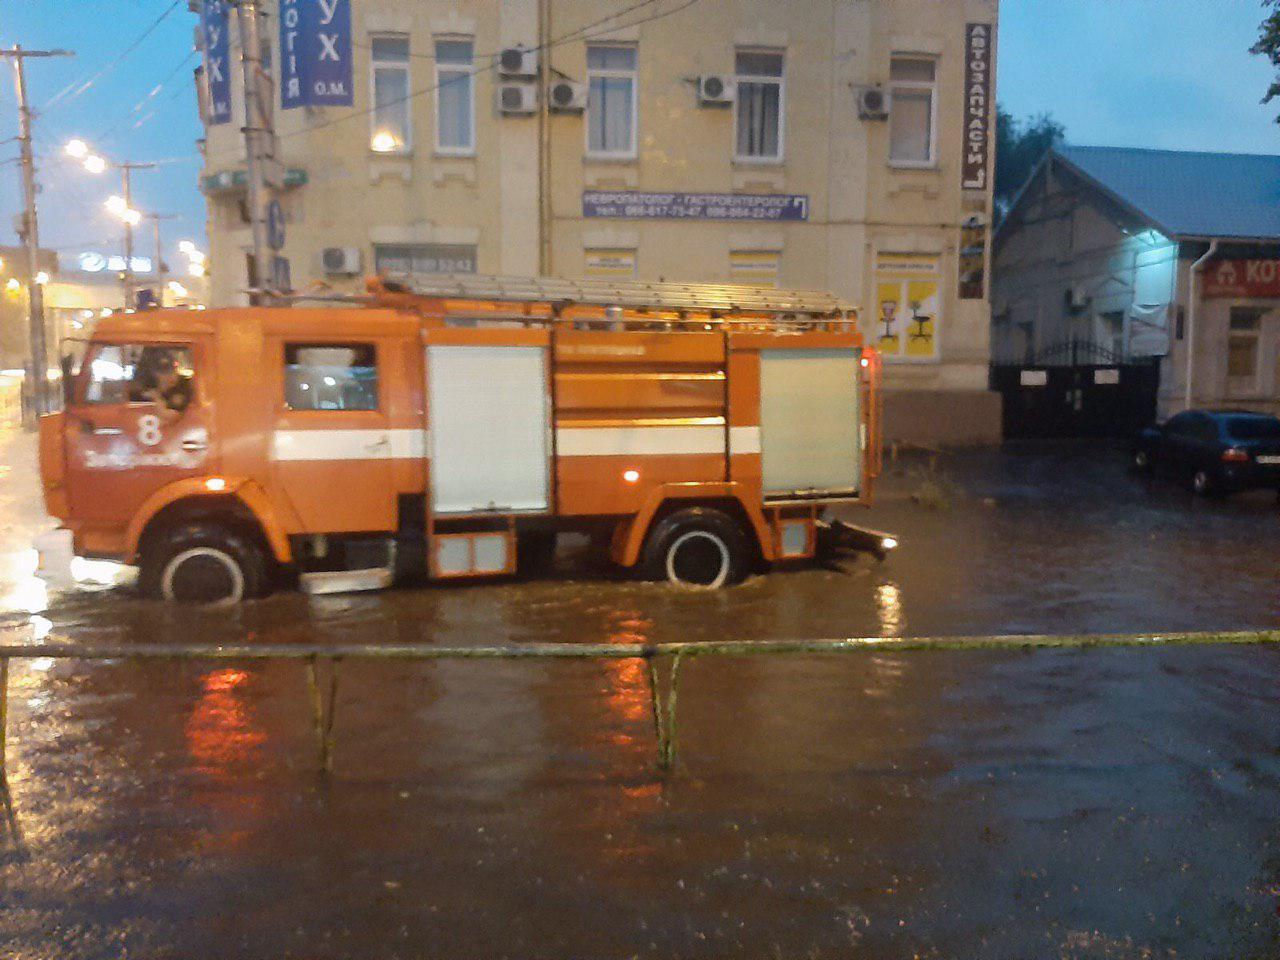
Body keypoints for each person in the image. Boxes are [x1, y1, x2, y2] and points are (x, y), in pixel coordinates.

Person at [138, 351, 193, 423]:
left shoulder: (183, 386)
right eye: (163, 372)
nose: (170, 376)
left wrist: (156, 398)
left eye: (172, 370)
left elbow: (171, 417)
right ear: (155, 374)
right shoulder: (148, 384)